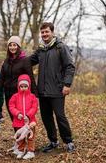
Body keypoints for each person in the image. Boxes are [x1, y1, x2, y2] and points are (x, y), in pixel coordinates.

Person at [29, 22, 76, 153]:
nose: (44, 34)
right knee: (46, 117)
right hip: (43, 91)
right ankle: (53, 141)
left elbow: (70, 66)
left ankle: (68, 141)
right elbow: (28, 61)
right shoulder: (41, 50)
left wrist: (67, 84)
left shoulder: (61, 47)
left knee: (60, 116)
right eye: (42, 32)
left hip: (57, 89)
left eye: (46, 32)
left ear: (52, 32)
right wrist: (13, 59)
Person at [0, 36, 37, 121]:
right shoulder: (6, 61)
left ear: (18, 46)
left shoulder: (25, 60)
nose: (12, 47)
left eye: (15, 45)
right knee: (13, 119)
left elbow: (30, 77)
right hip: (8, 95)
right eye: (10, 45)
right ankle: (18, 134)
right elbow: (1, 79)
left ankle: (25, 134)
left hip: (20, 94)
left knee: (21, 119)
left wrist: (35, 94)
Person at [9, 74, 38, 160]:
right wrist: (17, 113)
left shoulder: (32, 97)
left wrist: (28, 115)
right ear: (18, 86)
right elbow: (11, 106)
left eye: (25, 86)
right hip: (18, 121)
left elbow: (34, 107)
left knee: (30, 137)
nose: (23, 88)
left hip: (30, 121)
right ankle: (21, 150)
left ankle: (30, 151)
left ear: (28, 86)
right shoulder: (15, 96)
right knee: (20, 137)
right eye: (21, 86)